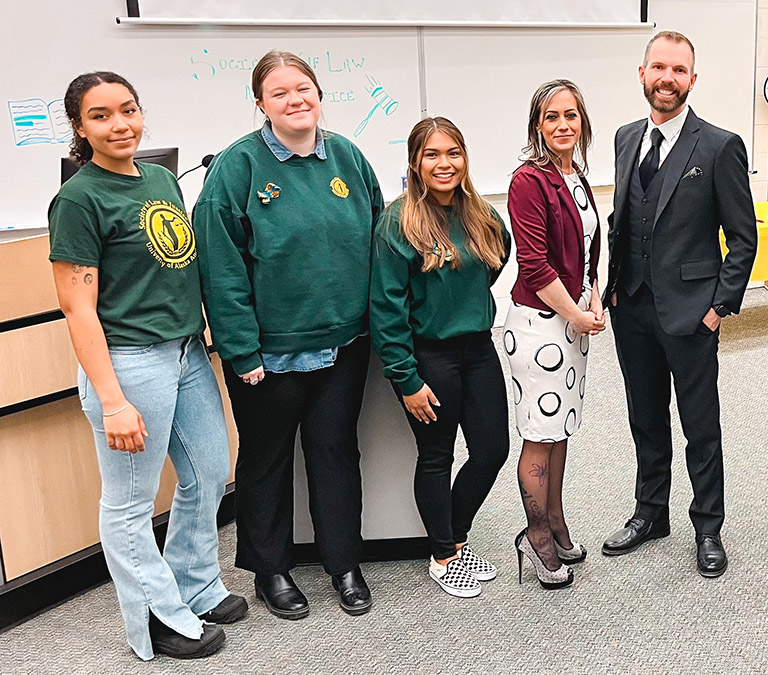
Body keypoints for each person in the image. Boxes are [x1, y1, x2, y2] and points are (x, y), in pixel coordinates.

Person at [48, 71, 243, 660]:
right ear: (80, 128)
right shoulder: (78, 200)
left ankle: (194, 584)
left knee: (209, 473)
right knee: (129, 503)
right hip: (129, 362)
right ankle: (156, 616)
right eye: (101, 116)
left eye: (128, 110)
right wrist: (112, 400)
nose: (120, 125)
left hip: (184, 352)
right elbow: (77, 309)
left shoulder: (159, 178)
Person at [194, 50, 384, 618]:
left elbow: (377, 236)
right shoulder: (238, 168)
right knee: (266, 459)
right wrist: (240, 347)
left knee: (335, 454)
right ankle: (270, 570)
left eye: (304, 89)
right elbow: (220, 266)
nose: (296, 100)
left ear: (319, 94)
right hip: (266, 354)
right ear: (261, 104)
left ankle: (343, 564)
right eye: (280, 93)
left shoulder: (347, 156)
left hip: (345, 345)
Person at [600, 31, 757, 578]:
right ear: (642, 73)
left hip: (693, 311)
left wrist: (720, 308)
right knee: (645, 417)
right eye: (658, 68)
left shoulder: (719, 145)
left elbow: (743, 237)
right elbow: (623, 218)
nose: (667, 79)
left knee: (700, 425)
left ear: (693, 78)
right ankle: (651, 513)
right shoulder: (624, 138)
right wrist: (613, 286)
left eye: (679, 70)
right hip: (633, 308)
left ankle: (708, 527)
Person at [370, 117, 511, 598]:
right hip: (429, 356)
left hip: (478, 348)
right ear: (415, 162)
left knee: (492, 450)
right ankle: (444, 552)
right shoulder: (398, 221)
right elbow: (385, 311)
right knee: (437, 456)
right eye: (432, 154)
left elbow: (494, 263)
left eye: (453, 152)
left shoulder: (481, 214)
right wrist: (406, 379)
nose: (444, 163)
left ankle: (454, 533)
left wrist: (460, 301)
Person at [504, 80, 604, 590]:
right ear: (537, 126)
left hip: (570, 324)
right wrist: (576, 314)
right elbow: (536, 265)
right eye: (551, 117)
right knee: (539, 436)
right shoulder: (528, 180)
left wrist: (593, 299)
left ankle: (557, 522)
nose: (563, 125)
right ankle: (536, 535)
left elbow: (585, 252)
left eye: (571, 115)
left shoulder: (577, 176)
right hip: (539, 326)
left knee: (558, 429)